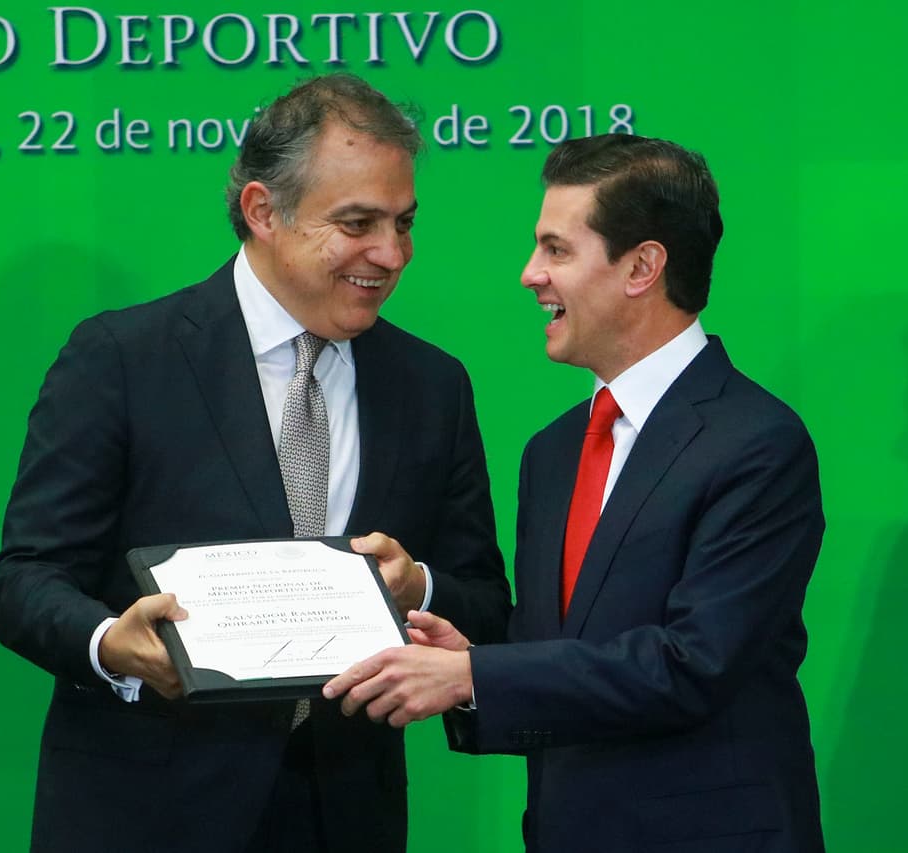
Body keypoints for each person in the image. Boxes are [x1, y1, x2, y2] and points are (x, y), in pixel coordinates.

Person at [0, 73, 511, 853]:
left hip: (347, 814)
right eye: (357, 222)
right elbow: (23, 579)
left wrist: (419, 584)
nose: (391, 254)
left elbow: (487, 603)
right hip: (147, 812)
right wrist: (110, 643)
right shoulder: (122, 359)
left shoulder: (432, 385)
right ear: (264, 210)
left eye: (403, 223)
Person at [325, 134, 826, 852]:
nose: (531, 274)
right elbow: (560, 649)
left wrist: (475, 673)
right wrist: (467, 657)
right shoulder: (553, 451)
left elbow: (693, 663)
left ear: (643, 267)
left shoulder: (757, 442)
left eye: (557, 250)